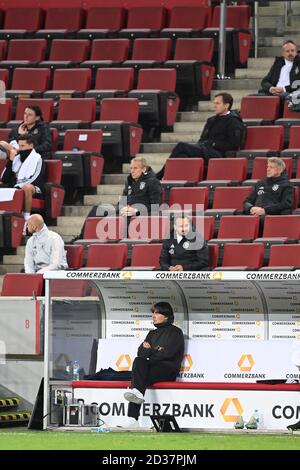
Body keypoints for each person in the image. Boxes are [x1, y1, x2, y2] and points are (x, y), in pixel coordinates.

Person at [120, 302, 184, 428]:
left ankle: (132, 417)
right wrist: (155, 350)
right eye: (153, 313)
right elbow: (141, 353)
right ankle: (134, 412)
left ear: (166, 316)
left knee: (138, 380)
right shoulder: (152, 333)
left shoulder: (175, 332)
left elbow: (167, 354)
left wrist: (150, 350)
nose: (153, 316)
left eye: (157, 313)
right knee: (138, 362)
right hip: (151, 368)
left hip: (167, 370)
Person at [71, 156, 162, 241]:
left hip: (139, 215)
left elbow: (155, 208)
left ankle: (119, 243)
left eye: (135, 168)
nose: (132, 171)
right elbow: (122, 201)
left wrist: (136, 211)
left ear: (144, 169)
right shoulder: (129, 181)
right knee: (95, 209)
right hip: (123, 213)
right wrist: (122, 208)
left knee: (124, 219)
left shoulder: (153, 182)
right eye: (131, 168)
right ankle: (81, 237)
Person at [156, 93, 244, 180]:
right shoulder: (211, 120)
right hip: (205, 149)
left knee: (181, 146)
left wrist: (213, 144)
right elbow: (202, 138)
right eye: (214, 103)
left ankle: (160, 175)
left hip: (218, 153)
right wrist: (200, 147)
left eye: (217, 103)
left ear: (226, 105)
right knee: (182, 155)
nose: (215, 106)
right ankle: (179, 182)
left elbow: (234, 144)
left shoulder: (233, 121)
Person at [0, 134, 45, 231]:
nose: (20, 149)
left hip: (34, 187)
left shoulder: (38, 158)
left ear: (31, 146)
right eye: (19, 146)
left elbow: (36, 178)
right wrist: (11, 160)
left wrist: (20, 186)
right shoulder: (16, 158)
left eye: (23, 146)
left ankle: (26, 219)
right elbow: (4, 179)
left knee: (26, 187)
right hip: (16, 187)